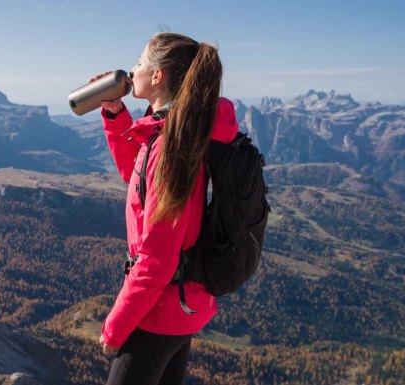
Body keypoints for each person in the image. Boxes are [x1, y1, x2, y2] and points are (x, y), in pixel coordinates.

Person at [91, 32, 239, 385]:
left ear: (157, 76)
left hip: (160, 311)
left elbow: (157, 260)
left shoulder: (170, 148)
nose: (133, 69)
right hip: (179, 307)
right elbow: (138, 179)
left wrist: (114, 328)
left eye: (140, 62)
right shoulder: (174, 134)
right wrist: (114, 113)